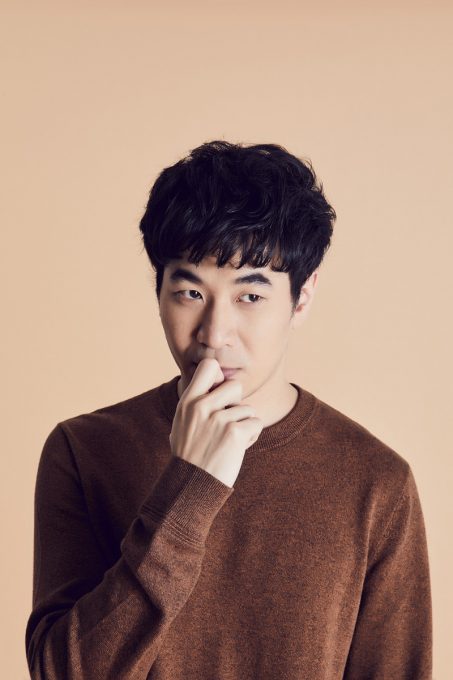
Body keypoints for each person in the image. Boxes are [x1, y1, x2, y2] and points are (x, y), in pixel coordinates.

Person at [25, 140, 433, 679]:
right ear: (158, 291)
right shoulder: (85, 451)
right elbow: (62, 672)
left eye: (250, 297)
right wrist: (189, 487)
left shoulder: (377, 483)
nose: (215, 334)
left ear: (302, 297)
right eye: (190, 293)